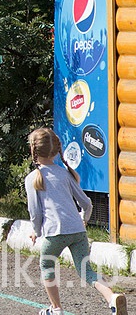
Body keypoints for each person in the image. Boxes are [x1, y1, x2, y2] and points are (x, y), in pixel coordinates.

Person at [26, 127, 128, 315]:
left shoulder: (33, 178)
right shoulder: (66, 174)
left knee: (47, 265)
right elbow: (87, 203)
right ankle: (112, 298)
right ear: (57, 151)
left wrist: (36, 231)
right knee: (86, 271)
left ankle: (56, 309)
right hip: (77, 232)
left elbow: (35, 212)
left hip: (54, 234)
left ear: (33, 151)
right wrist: (84, 221)